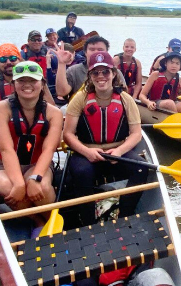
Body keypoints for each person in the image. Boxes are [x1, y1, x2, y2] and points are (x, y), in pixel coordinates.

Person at [59, 52, 149, 224]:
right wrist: (87, 152)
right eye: (96, 72)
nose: (101, 77)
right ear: (90, 76)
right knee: (81, 172)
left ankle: (125, 215)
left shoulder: (125, 99)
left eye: (105, 72)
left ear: (113, 74)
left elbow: (136, 134)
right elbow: (68, 134)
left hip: (117, 152)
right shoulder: (80, 99)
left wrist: (119, 151)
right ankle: (87, 221)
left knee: (141, 168)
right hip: (86, 152)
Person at [0, 62, 63, 226]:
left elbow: (49, 149)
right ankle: (37, 222)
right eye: (21, 81)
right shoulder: (0, 109)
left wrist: (34, 178)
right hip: (1, 165)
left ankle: (51, 222)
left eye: (32, 81)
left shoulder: (53, 113)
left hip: (35, 164)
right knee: (10, 187)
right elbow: (6, 150)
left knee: (42, 187)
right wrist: (19, 183)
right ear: (13, 84)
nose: (27, 85)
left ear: (42, 84)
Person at [62, 33, 128, 100]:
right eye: (92, 49)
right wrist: (61, 63)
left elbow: (124, 94)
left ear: (107, 52)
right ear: (85, 52)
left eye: (100, 50)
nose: (96, 52)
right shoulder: (74, 71)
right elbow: (62, 92)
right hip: (81, 107)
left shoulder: (116, 72)